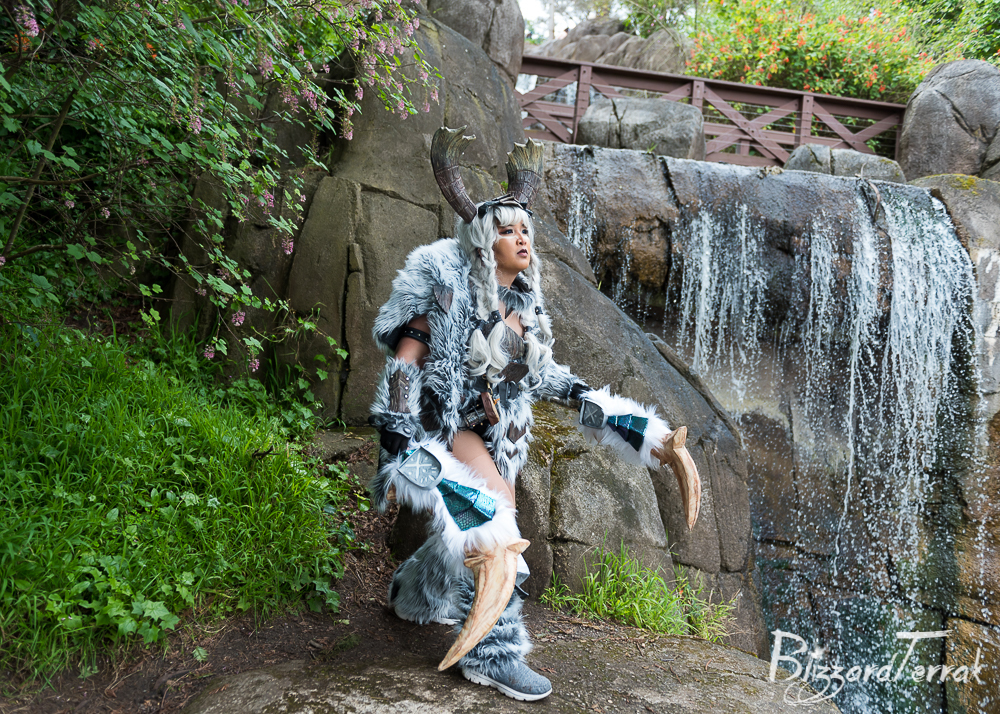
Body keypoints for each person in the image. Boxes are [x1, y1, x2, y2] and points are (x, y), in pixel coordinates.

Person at [368, 126, 701, 702]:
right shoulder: (443, 283)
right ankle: (492, 655)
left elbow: (540, 377)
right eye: (507, 230)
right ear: (483, 240)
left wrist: (634, 427)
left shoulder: (520, 306)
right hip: (436, 427)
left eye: (525, 228)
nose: (521, 237)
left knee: (481, 521)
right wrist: (398, 435)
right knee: (495, 521)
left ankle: (415, 593)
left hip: (498, 433)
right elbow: (405, 362)